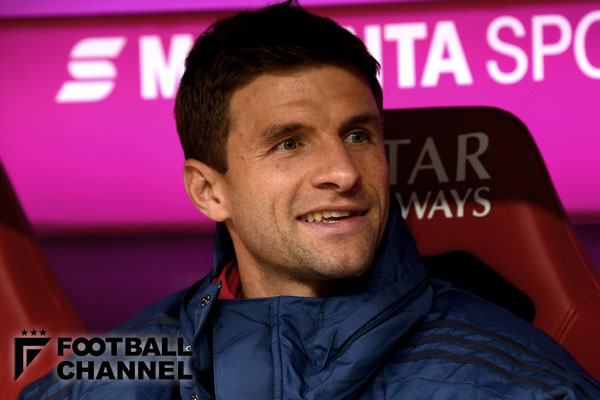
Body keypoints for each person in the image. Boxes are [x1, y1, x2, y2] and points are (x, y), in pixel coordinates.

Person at [20, 1, 600, 399]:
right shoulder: (106, 373)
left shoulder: (523, 384)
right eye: (289, 143)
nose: (344, 173)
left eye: (358, 135)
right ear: (208, 190)